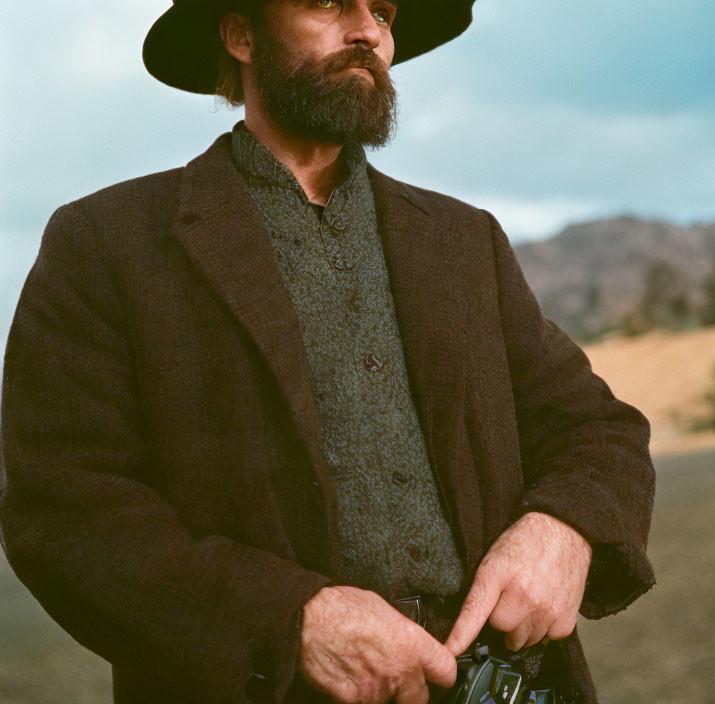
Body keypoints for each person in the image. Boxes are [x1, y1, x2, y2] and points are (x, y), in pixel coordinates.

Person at [0, 0, 657, 702]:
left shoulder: (465, 242)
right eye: (328, 3)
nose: (368, 30)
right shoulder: (106, 243)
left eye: (382, 10)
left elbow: (598, 428)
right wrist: (291, 621)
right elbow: (65, 509)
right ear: (242, 33)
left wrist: (563, 527)